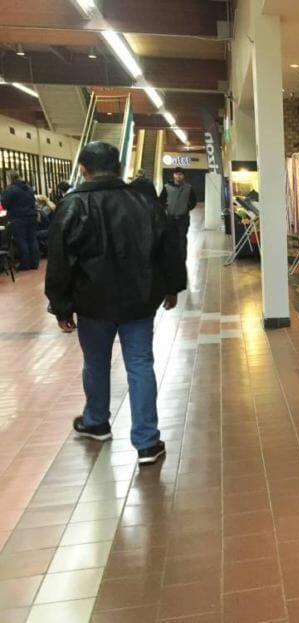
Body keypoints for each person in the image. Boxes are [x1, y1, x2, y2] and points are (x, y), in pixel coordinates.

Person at [45, 141, 187, 466]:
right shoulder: (144, 202)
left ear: (83, 168)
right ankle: (147, 443)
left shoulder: (72, 206)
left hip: (92, 304)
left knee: (95, 363)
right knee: (140, 365)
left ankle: (96, 422)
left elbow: (59, 262)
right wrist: (171, 287)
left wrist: (61, 306)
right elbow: (169, 248)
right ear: (120, 166)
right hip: (139, 300)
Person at [1, 171, 39, 270]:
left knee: (21, 240)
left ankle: (25, 264)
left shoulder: (10, 189)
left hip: (18, 218)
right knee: (32, 239)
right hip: (32, 216)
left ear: (9, 178)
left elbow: (4, 204)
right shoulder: (28, 188)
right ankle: (34, 263)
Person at [160, 166, 197, 258]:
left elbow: (194, 201)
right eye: (176, 174)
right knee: (171, 238)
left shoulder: (188, 188)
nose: (178, 176)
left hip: (183, 218)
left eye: (180, 174)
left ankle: (182, 257)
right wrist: (166, 208)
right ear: (173, 175)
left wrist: (186, 208)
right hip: (170, 218)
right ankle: (171, 257)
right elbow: (161, 200)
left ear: (183, 176)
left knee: (182, 238)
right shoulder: (167, 187)